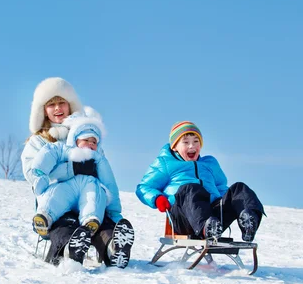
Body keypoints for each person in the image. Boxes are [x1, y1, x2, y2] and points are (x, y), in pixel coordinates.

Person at [21, 77, 134, 268]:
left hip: (88, 197)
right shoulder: (38, 141)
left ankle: (113, 249)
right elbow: (35, 173)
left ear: (70, 105)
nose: (57, 108)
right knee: (66, 224)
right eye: (51, 105)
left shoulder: (87, 134)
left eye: (61, 103)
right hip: (56, 201)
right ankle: (67, 250)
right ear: (43, 110)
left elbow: (103, 171)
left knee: (101, 222)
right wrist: (72, 169)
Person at [136, 121, 265, 242]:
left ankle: (249, 221)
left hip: (215, 218)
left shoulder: (210, 163)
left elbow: (221, 187)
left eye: (196, 141)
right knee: (190, 188)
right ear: (175, 147)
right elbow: (144, 187)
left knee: (239, 188)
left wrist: (229, 204)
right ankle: (207, 227)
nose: (192, 146)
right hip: (183, 217)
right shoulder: (165, 163)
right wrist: (158, 198)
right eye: (185, 142)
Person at [28, 110, 122, 263]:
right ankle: (46, 217)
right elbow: (46, 160)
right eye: (86, 140)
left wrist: (115, 213)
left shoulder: (99, 158)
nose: (91, 144)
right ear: (75, 139)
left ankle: (97, 229)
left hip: (88, 188)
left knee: (94, 197)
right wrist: (40, 178)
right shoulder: (63, 149)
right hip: (66, 189)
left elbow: (110, 183)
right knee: (56, 197)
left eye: (94, 142)